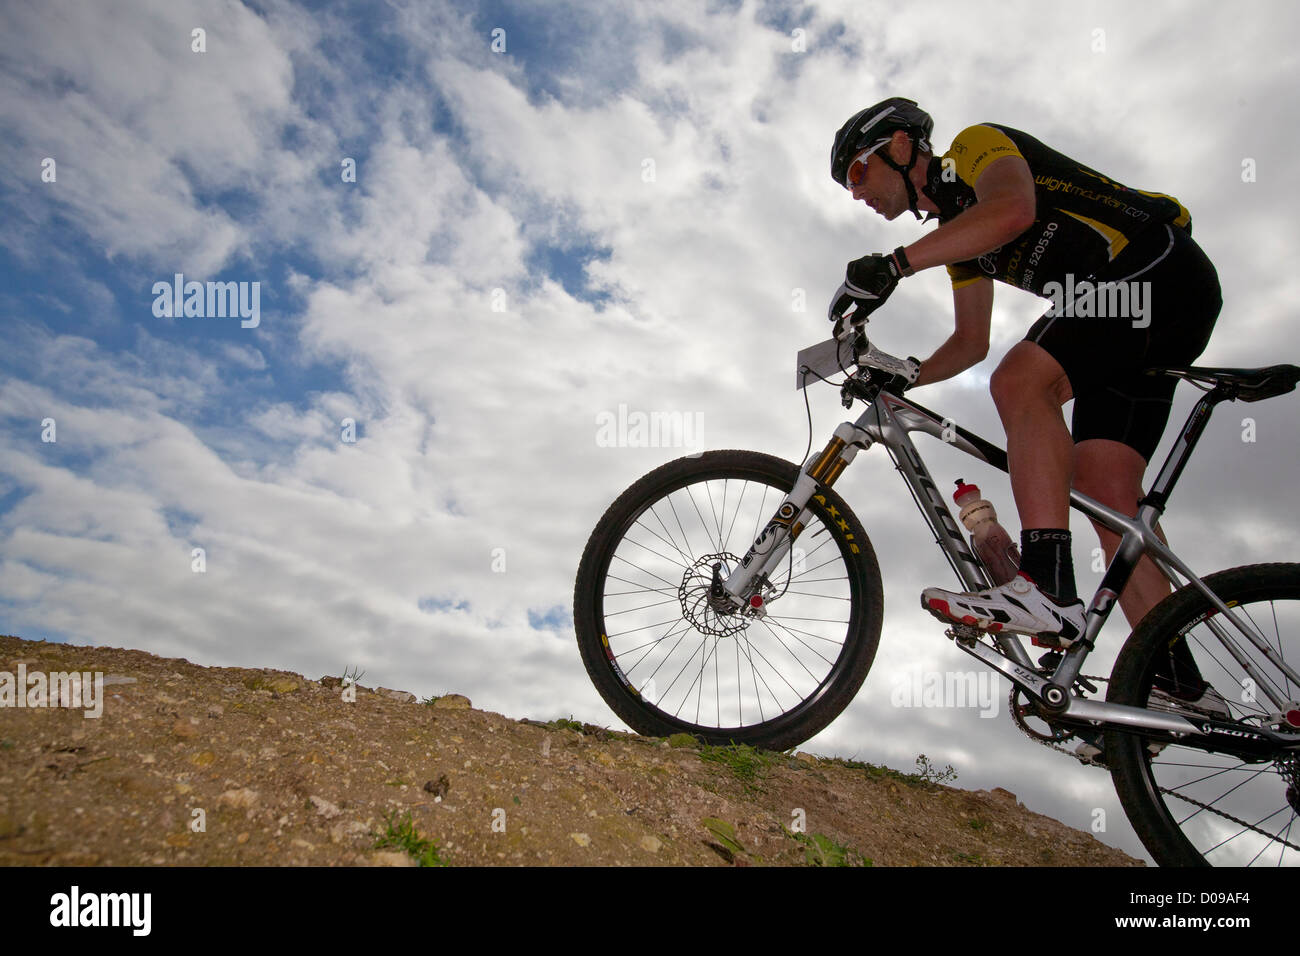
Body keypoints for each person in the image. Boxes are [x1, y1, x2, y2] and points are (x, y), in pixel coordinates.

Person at [828, 98, 1227, 716]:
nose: (858, 194)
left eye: (858, 173)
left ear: (902, 147)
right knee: (1106, 493)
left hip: (1159, 271)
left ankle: (1045, 586)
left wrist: (896, 265)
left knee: (1019, 383)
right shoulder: (957, 242)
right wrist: (904, 372)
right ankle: (1177, 679)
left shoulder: (977, 147)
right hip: (1133, 326)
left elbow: (1013, 211)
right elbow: (969, 343)